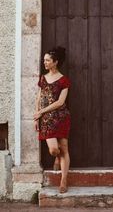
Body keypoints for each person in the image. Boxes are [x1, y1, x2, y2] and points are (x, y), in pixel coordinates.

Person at [34, 46, 71, 193]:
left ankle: (64, 180)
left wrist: (42, 111)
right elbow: (39, 97)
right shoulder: (43, 78)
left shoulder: (64, 81)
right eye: (44, 60)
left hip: (61, 117)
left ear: (55, 62)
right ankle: (56, 158)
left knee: (64, 148)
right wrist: (37, 117)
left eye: (47, 60)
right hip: (46, 120)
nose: (45, 63)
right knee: (54, 149)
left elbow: (60, 102)